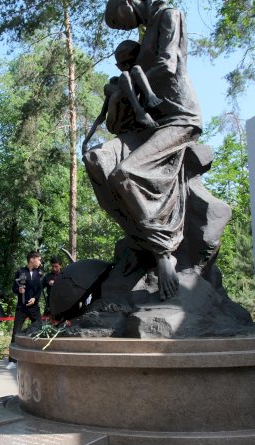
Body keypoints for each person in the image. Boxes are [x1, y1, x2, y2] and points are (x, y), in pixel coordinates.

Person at [84, 0, 206, 301]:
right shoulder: (147, 28)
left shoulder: (169, 14)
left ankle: (164, 251)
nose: (123, 26)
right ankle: (140, 238)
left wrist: (131, 80)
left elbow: (166, 64)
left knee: (127, 173)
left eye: (119, 19)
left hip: (178, 118)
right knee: (95, 160)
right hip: (150, 124)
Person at [10, 251, 44, 369]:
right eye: (38, 259)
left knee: (40, 329)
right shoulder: (20, 272)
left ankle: (39, 357)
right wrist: (18, 290)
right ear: (31, 259)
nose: (40, 262)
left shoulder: (38, 273)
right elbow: (14, 288)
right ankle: (12, 360)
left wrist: (35, 298)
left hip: (34, 307)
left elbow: (40, 289)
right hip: (21, 307)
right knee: (16, 331)